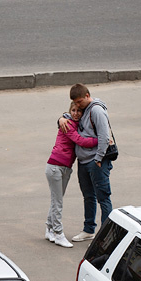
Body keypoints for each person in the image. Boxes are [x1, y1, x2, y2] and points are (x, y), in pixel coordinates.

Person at [58, 84, 112, 242]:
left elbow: (104, 136)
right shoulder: (83, 108)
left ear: (87, 96)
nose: (77, 105)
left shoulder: (96, 110)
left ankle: (105, 237)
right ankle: (89, 230)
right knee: (88, 197)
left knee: (103, 198)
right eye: (75, 103)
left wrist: (99, 159)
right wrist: (61, 118)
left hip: (96, 162)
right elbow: (69, 117)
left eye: (80, 102)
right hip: (83, 162)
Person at [45, 102, 98, 248]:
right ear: (69, 111)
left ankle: (49, 228)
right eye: (73, 110)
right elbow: (81, 141)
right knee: (58, 202)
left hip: (65, 168)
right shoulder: (67, 124)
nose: (76, 113)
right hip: (56, 166)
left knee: (56, 199)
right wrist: (101, 139)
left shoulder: (76, 122)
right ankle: (58, 233)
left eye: (79, 111)